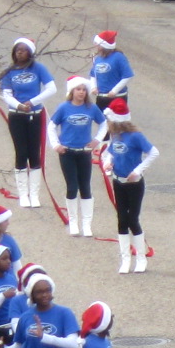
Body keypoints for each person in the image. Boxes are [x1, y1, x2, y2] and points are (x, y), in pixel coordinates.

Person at [0, 36, 56, 209]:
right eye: (17, 50)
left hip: (35, 115)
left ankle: (35, 194)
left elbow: (51, 88)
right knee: (21, 152)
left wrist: (32, 102)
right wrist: (19, 105)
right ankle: (23, 194)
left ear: (30, 52)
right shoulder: (9, 71)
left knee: (34, 153)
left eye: (23, 50)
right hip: (16, 115)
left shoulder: (38, 68)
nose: (20, 52)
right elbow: (6, 94)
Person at [102, 100, 156, 274]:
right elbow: (111, 153)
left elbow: (153, 152)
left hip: (134, 184)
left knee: (133, 219)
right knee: (121, 220)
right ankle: (125, 258)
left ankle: (141, 257)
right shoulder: (116, 135)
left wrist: (138, 170)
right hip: (118, 182)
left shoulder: (135, 136)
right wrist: (108, 163)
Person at [50, 76, 107, 236]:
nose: (81, 92)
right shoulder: (63, 108)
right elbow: (51, 126)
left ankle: (87, 224)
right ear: (72, 91)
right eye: (78, 89)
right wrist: (56, 145)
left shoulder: (91, 108)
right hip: (67, 152)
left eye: (84, 90)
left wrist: (97, 140)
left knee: (85, 187)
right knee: (72, 186)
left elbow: (103, 124)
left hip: (84, 152)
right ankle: (73, 222)